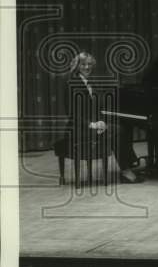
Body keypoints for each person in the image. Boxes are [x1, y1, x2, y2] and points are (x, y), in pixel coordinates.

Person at [54, 51, 141, 185]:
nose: (87, 67)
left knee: (119, 128)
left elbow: (93, 109)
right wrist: (93, 125)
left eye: (89, 64)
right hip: (78, 129)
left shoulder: (88, 82)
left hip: (89, 126)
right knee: (118, 131)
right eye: (83, 64)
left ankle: (128, 165)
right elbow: (72, 114)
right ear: (77, 66)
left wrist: (101, 121)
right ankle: (127, 169)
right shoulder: (71, 84)